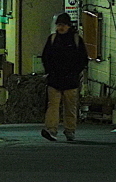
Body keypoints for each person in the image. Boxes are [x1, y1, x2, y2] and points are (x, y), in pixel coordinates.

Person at [40, 12, 89, 142]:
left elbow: (83, 59)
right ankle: (51, 130)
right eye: (59, 25)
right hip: (56, 79)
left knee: (70, 107)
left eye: (63, 25)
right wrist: (50, 71)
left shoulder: (76, 40)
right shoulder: (52, 39)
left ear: (68, 26)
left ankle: (70, 130)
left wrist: (74, 72)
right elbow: (45, 57)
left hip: (70, 80)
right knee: (53, 106)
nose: (60, 27)